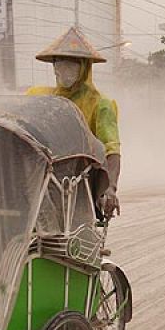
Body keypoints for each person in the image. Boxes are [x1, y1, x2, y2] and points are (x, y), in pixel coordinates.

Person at [26, 27, 121, 218]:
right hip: (41, 179)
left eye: (71, 65)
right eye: (60, 64)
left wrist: (110, 188)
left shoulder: (101, 104)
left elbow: (112, 150)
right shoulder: (39, 96)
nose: (64, 70)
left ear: (84, 68)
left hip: (79, 185)